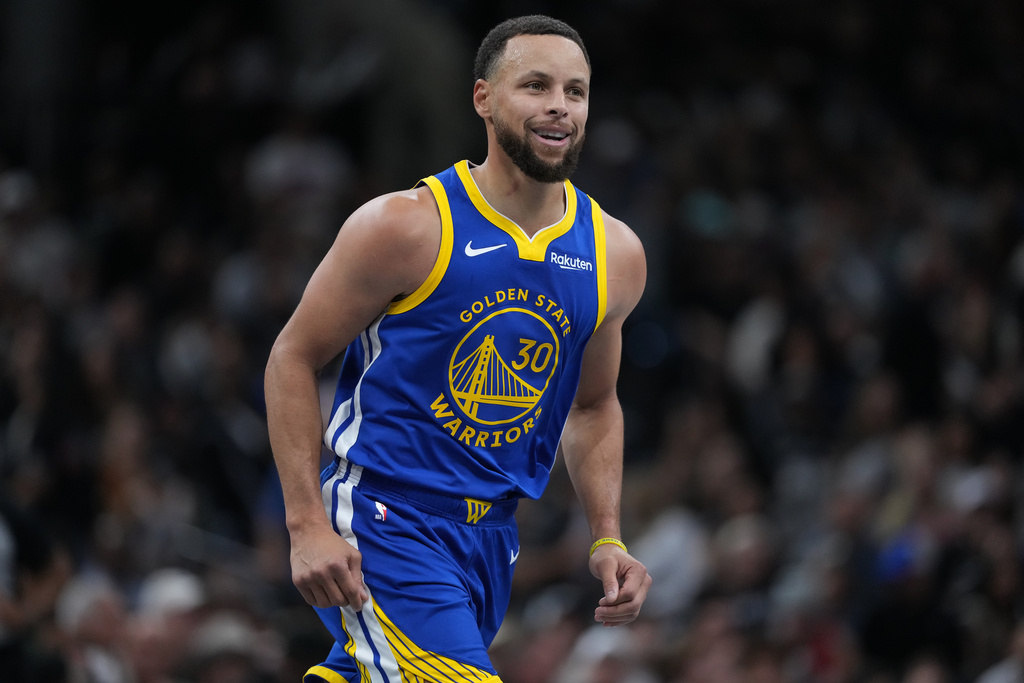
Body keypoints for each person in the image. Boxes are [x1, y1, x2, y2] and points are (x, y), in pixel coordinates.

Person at [264, 14, 651, 682]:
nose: (560, 104)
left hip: (491, 540)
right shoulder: (405, 226)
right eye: (535, 85)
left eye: (576, 91)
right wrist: (305, 524)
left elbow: (592, 406)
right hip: (385, 520)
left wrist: (607, 533)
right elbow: (292, 356)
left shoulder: (614, 252)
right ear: (483, 99)